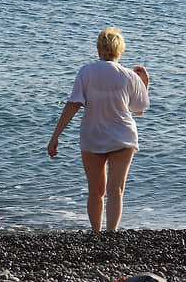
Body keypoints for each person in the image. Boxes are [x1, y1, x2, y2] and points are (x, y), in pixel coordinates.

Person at [48, 27, 150, 231]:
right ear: (120, 51)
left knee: (96, 191)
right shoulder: (129, 75)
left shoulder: (86, 72)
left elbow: (73, 104)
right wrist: (144, 84)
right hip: (123, 136)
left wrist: (55, 136)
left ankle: (96, 233)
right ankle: (111, 234)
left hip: (92, 135)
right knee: (116, 190)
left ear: (98, 50)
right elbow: (138, 110)